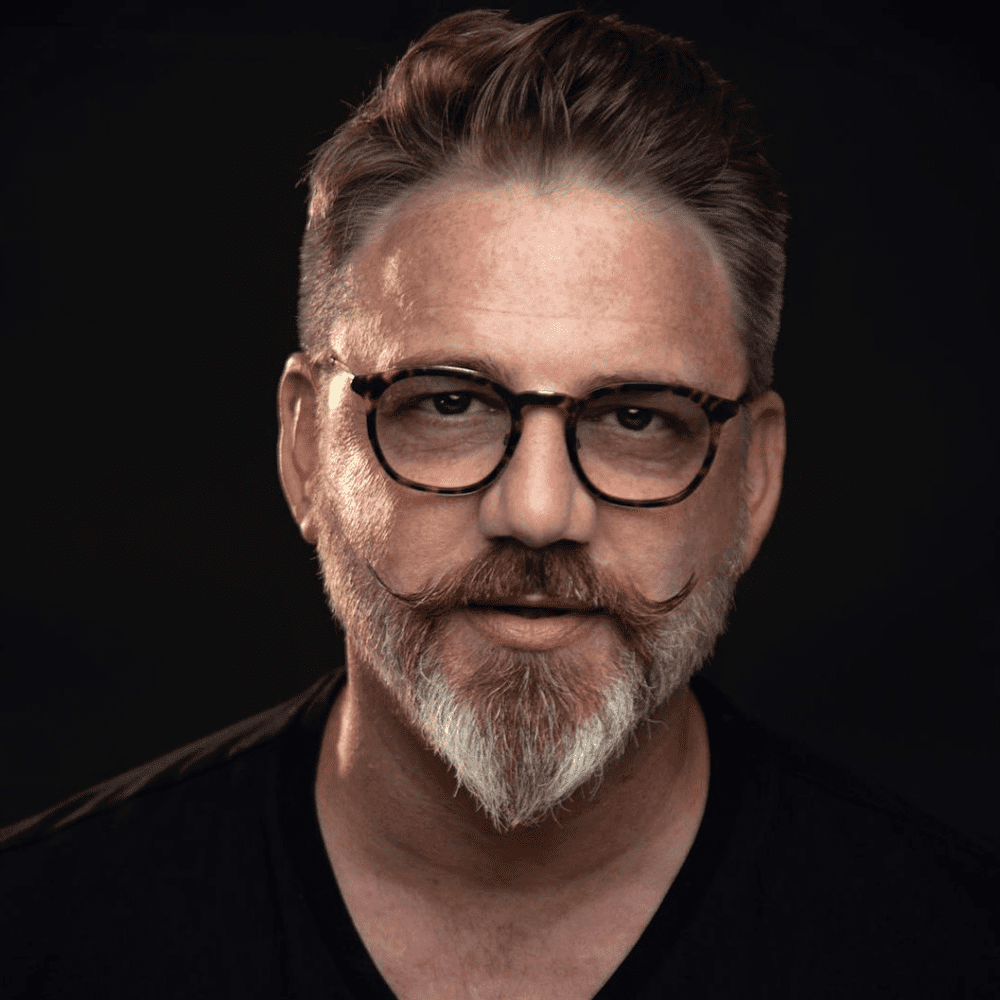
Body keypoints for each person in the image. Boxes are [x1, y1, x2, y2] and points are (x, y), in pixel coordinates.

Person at [2, 9, 996, 998]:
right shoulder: (43, 935)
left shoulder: (950, 953)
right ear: (306, 446)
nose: (536, 509)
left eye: (636, 418)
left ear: (755, 480)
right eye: (449, 403)